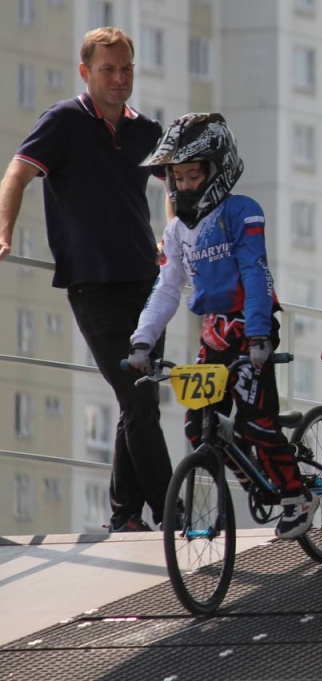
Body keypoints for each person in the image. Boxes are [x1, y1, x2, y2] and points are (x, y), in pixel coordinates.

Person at [0, 27, 172, 532]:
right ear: (86, 72)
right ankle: (172, 511)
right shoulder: (64, 121)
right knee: (138, 394)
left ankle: (123, 516)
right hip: (92, 281)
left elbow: (176, 182)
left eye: (126, 69)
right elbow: (16, 174)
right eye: (108, 70)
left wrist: (170, 234)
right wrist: (3, 232)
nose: (119, 79)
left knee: (136, 398)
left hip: (146, 279)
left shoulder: (146, 130)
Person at [127, 113, 318, 540]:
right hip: (215, 331)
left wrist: (258, 335)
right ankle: (256, 476)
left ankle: (295, 495)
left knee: (255, 421)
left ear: (218, 168)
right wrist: (143, 339)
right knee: (198, 427)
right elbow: (166, 287)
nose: (184, 186)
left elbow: (254, 272)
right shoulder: (176, 230)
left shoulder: (242, 211)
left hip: (253, 326)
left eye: (193, 174)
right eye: (176, 177)